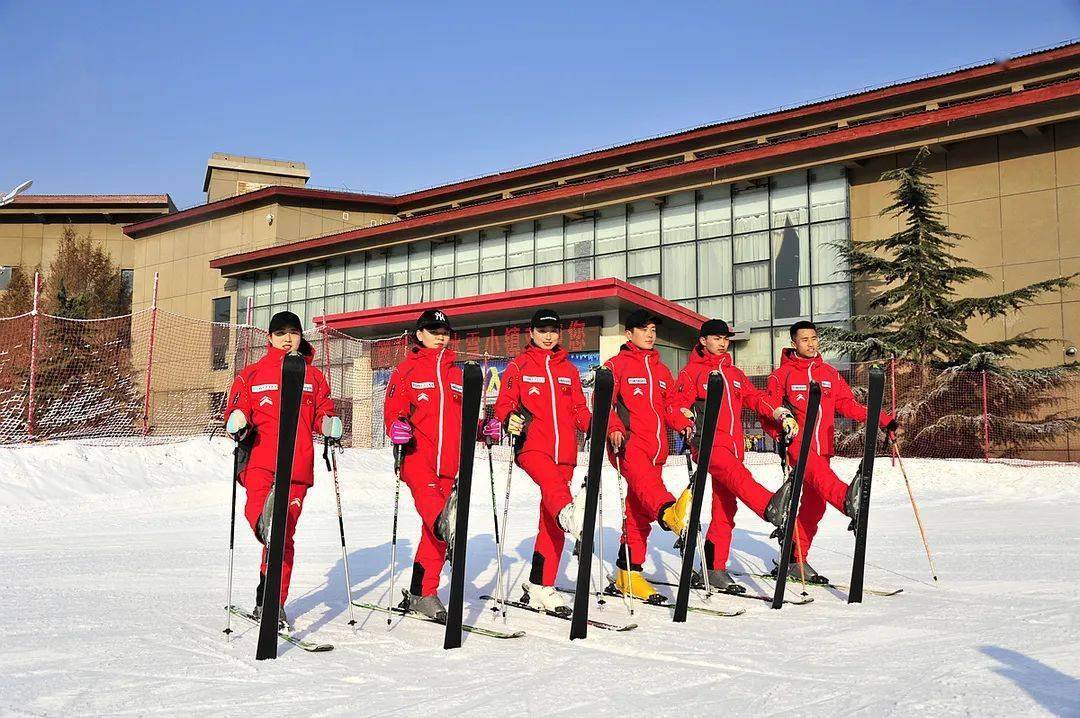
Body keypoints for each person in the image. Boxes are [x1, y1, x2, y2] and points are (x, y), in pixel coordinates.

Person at [224, 311, 340, 629]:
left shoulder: (314, 377)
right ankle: (266, 525)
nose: (288, 338)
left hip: (297, 468)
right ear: (270, 338)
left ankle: (271, 603)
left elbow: (323, 412)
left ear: (301, 337)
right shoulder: (251, 375)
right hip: (261, 463)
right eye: (281, 333)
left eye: (294, 332)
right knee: (263, 518)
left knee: (283, 537)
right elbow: (235, 410)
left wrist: (330, 423)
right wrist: (236, 422)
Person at [668, 318, 800, 593]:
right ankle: (769, 507)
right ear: (703, 341)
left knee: (725, 508)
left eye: (725, 338)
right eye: (717, 338)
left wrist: (780, 413)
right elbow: (675, 405)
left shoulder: (735, 374)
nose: (722, 342)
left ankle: (715, 567)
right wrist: (685, 420)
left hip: (734, 448)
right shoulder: (691, 372)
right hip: (708, 446)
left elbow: (756, 399)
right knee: (738, 477)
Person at [765, 320, 897, 583]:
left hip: (823, 447)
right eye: (805, 340)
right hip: (798, 446)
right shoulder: (782, 375)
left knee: (814, 507)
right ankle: (848, 501)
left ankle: (794, 559)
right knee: (824, 482)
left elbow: (848, 405)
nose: (811, 344)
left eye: (814, 338)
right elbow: (769, 409)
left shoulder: (829, 373)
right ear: (794, 343)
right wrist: (779, 433)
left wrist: (883, 420)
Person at [493, 308, 592, 616]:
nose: (549, 335)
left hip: (566, 454)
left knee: (550, 522)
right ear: (532, 333)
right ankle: (572, 516)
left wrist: (600, 426)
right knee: (554, 491)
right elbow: (503, 404)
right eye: (543, 330)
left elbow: (580, 411)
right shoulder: (519, 366)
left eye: (553, 330)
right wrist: (509, 418)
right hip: (532, 447)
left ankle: (540, 585)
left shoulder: (570, 371)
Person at [603, 309, 694, 602]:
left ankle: (627, 574)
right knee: (650, 492)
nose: (650, 334)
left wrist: (683, 423)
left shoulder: (662, 370)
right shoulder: (615, 366)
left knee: (638, 513)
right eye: (644, 329)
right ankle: (670, 513)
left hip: (657, 451)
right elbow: (603, 403)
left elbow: (670, 408)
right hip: (627, 445)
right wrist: (615, 427)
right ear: (629, 334)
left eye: (653, 329)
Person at [382, 309, 467, 622]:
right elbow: (393, 409)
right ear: (419, 334)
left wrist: (486, 427)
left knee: (435, 532)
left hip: (449, 463)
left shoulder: (459, 374)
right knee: (440, 517)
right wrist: (397, 426)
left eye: (444, 331)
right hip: (417, 456)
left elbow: (468, 417)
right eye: (433, 330)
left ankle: (422, 592)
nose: (440, 336)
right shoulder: (406, 370)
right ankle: (452, 529)